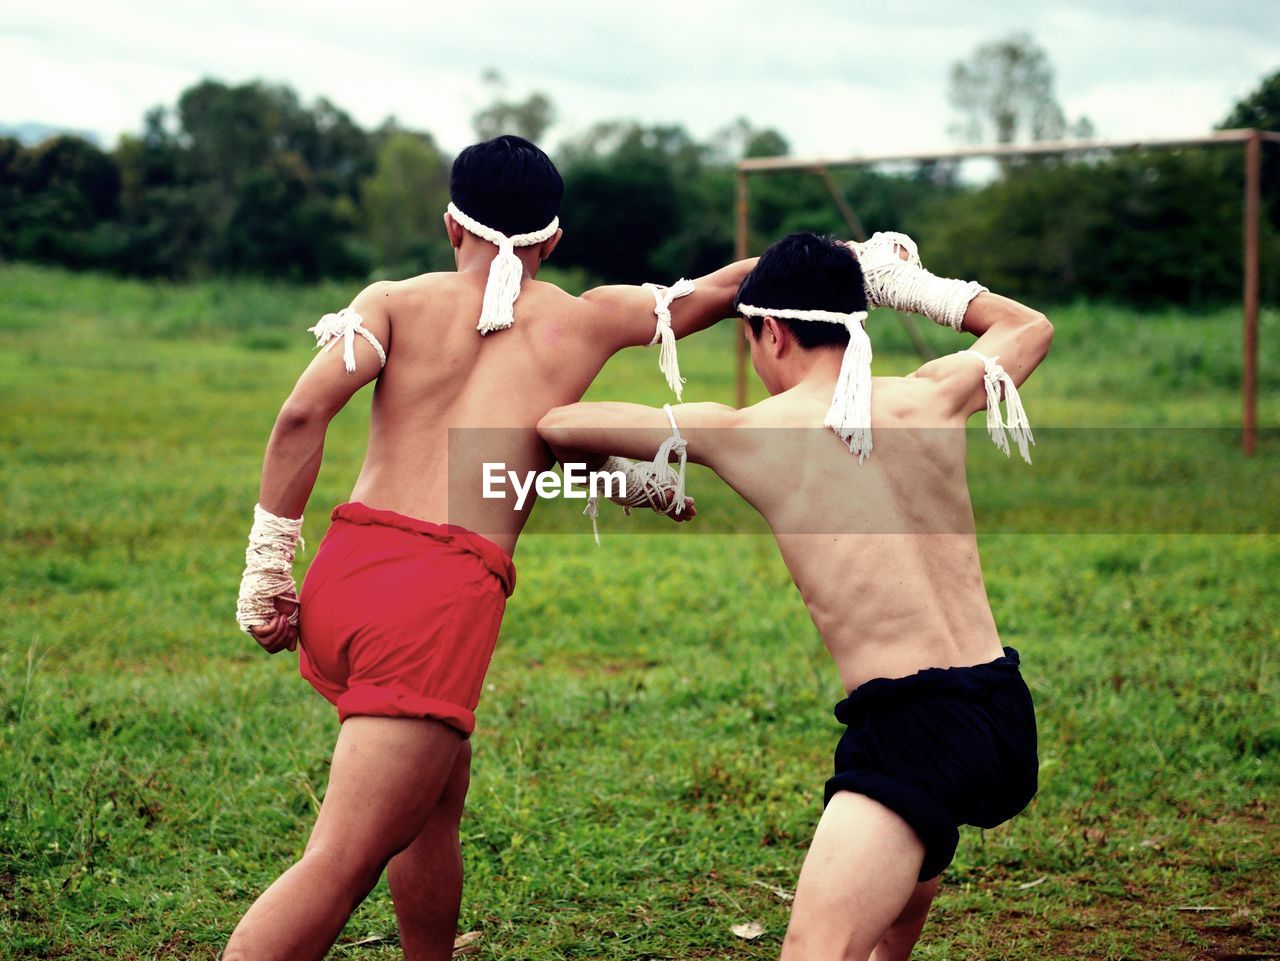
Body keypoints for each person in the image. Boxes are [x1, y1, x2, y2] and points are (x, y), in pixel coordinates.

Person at [225, 134, 757, 961]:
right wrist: (864, 264)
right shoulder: (588, 318)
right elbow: (725, 289)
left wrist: (269, 562)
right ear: (552, 242)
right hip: (434, 601)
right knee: (340, 860)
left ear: (450, 226)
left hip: (351, 568)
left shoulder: (392, 301)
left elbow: (301, 414)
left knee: (435, 796)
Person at [536, 230, 1053, 961]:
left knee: (816, 950)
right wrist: (907, 284)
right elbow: (1030, 326)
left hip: (912, 729)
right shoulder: (933, 394)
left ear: (770, 332)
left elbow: (559, 426)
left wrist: (646, 478)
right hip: (1001, 707)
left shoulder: (752, 430)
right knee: (895, 904)